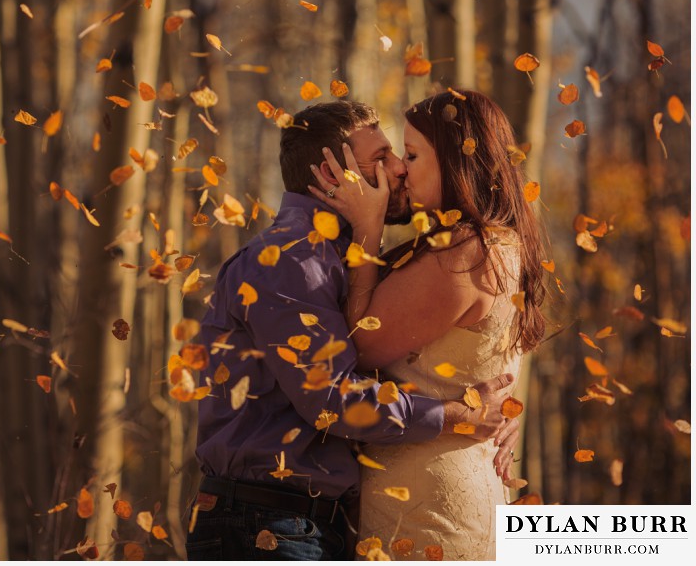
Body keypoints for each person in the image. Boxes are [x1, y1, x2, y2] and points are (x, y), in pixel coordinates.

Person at [185, 100, 520, 561]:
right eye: (380, 159)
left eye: (400, 155)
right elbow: (332, 400)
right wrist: (456, 415)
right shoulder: (290, 261)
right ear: (330, 175)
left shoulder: (343, 260)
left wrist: (504, 410)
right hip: (262, 523)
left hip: (307, 522)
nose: (400, 169)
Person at [308, 90, 545, 560]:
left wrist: (368, 226)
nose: (399, 168)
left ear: (455, 162)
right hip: (450, 489)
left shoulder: (466, 255)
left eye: (413, 155)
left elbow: (356, 346)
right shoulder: (499, 244)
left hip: (428, 507)